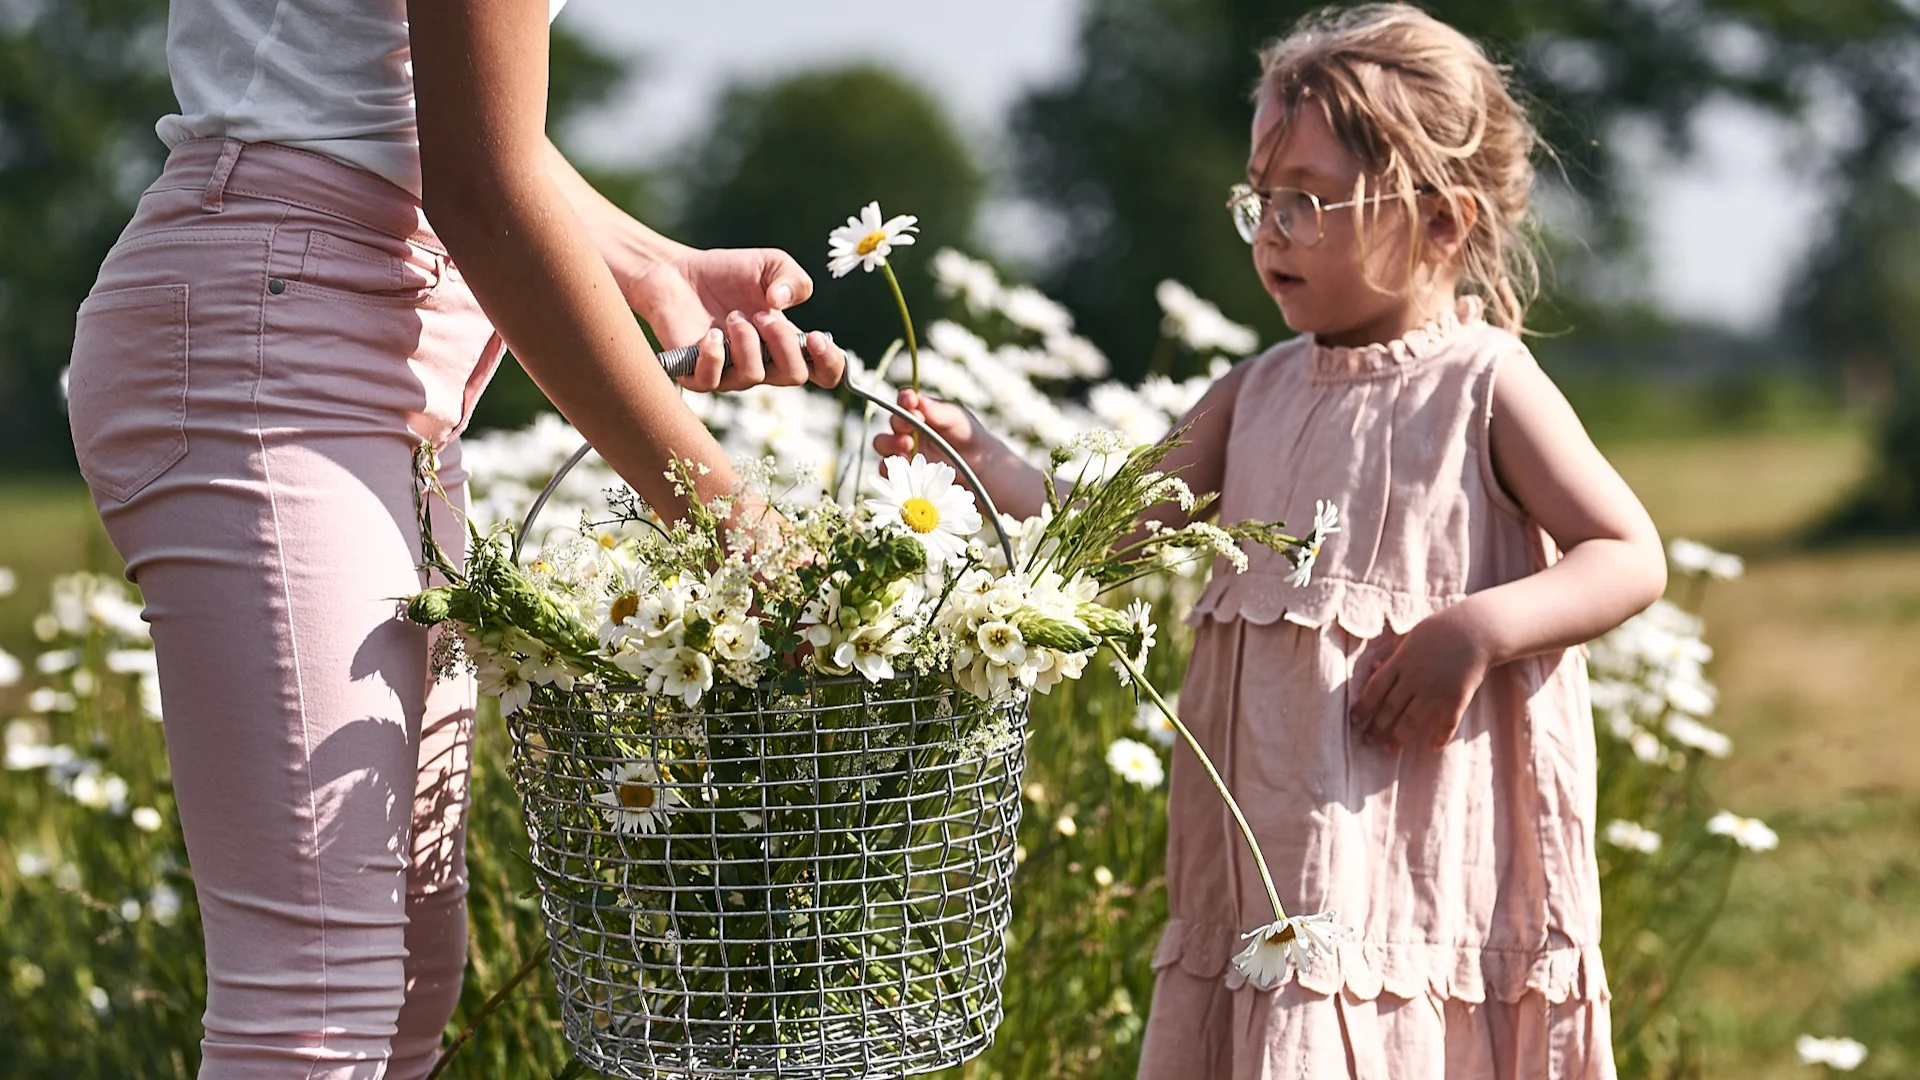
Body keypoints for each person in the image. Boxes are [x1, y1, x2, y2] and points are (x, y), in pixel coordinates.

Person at [873, 6, 1665, 1077]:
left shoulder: (1483, 382)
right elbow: (1105, 528)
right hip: (1272, 857)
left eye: (1310, 200)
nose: (1273, 230)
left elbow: (1625, 552)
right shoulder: (1256, 390)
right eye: (1261, 197)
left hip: (1417, 849)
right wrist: (975, 458)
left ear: (1441, 220)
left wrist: (1478, 629)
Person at [63, 0, 845, 1076]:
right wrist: (745, 533)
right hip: (274, 363)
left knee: (408, 987)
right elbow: (481, 191)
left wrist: (654, 267)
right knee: (318, 1007)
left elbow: (431, 106)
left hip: (365, 362)